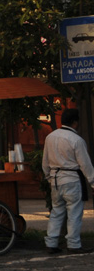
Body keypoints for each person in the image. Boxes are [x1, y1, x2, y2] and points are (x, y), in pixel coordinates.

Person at [42, 108, 94, 254]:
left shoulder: (50, 137)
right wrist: (93, 182)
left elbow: (45, 161)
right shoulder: (77, 140)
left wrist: (48, 177)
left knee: (56, 211)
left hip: (55, 179)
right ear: (75, 122)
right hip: (72, 179)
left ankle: (51, 242)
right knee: (74, 213)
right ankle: (73, 244)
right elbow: (85, 164)